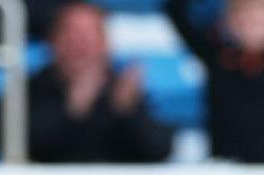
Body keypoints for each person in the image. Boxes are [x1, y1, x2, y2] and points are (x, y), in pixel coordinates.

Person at [25, 2, 173, 163]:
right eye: (71, 36)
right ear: (52, 42)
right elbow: (22, 146)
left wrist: (127, 112)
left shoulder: (123, 89)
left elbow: (159, 149)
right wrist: (72, 110)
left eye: (88, 37)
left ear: (105, 44)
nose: (79, 46)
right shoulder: (29, 90)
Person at [166, 0, 264, 162]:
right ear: (229, 22)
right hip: (224, 172)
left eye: (257, 19)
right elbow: (176, 11)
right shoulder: (218, 58)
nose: (249, 25)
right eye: (242, 18)